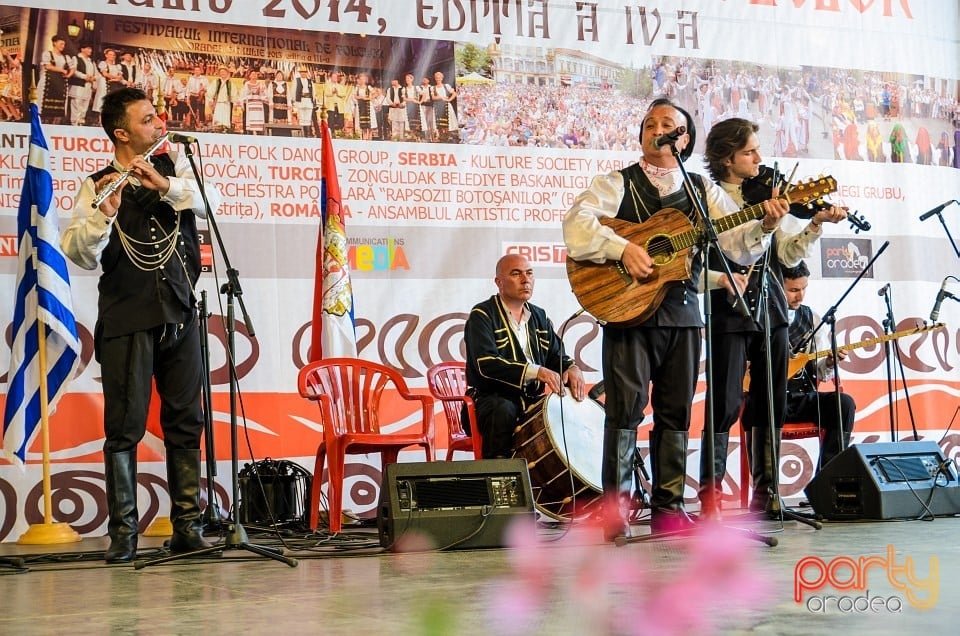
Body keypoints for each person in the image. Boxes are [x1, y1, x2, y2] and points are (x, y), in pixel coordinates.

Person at [562, 98, 790, 539]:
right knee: (625, 411)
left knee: (676, 413)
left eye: (668, 124)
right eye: (650, 123)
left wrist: (765, 225)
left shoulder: (704, 192)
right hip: (628, 311)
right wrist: (622, 248)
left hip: (684, 314)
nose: (657, 129)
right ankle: (617, 513)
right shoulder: (615, 183)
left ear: (683, 139)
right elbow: (577, 225)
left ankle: (668, 511)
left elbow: (739, 245)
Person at [60, 87, 221, 563]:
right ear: (122, 133)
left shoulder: (177, 171)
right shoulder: (96, 184)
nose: (159, 125)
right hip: (127, 318)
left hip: (181, 313)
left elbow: (206, 204)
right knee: (124, 426)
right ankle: (124, 533)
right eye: (149, 120)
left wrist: (163, 185)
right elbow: (78, 251)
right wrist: (102, 219)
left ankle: (188, 525)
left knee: (186, 420)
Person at [699, 117, 847, 517]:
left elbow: (785, 255)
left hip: (772, 309)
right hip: (728, 309)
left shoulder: (767, 192)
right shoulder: (709, 197)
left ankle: (767, 496)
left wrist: (814, 223)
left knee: (771, 400)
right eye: (749, 151)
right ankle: (709, 497)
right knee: (725, 401)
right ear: (727, 158)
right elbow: (724, 250)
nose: (759, 159)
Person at [463, 254, 585, 459]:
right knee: (502, 409)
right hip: (489, 401)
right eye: (516, 274)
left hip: (530, 402)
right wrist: (537, 372)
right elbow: (486, 365)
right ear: (499, 282)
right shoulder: (482, 314)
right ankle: (498, 477)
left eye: (529, 273)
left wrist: (572, 368)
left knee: (568, 408)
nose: (525, 279)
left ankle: (561, 483)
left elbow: (556, 356)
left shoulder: (539, 316)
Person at [781, 261, 856, 470]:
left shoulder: (812, 318)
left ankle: (827, 480)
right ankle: (769, 492)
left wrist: (830, 362)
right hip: (769, 401)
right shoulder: (760, 316)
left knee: (844, 404)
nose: (800, 296)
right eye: (793, 290)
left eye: (804, 288)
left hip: (804, 397)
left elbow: (821, 373)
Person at [67, 42, 97, 127]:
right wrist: (84, 76)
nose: (90, 50)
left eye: (90, 49)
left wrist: (93, 78)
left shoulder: (91, 61)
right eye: (88, 48)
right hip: (78, 86)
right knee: (76, 105)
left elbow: (96, 73)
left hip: (88, 87)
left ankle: (81, 124)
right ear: (82, 49)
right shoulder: (76, 58)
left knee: (84, 107)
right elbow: (74, 71)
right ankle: (74, 124)